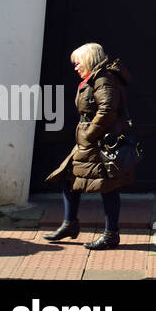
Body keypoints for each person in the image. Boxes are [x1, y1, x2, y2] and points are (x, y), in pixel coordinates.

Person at [43, 43, 135, 249]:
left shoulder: (103, 80)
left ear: (90, 60)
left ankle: (111, 234)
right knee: (68, 176)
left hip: (98, 141)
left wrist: (90, 134)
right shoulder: (95, 78)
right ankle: (70, 224)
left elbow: (107, 110)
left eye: (78, 62)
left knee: (107, 186)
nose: (75, 67)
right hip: (88, 141)